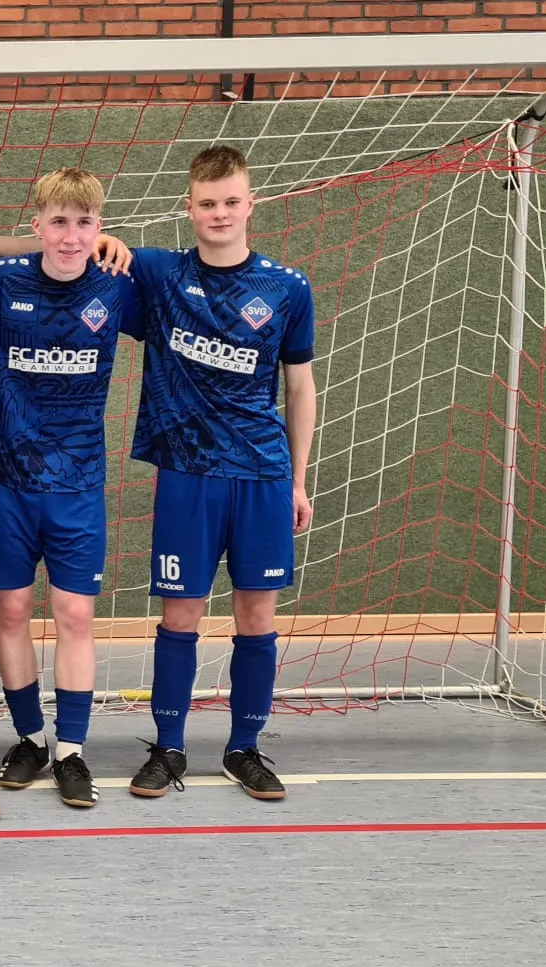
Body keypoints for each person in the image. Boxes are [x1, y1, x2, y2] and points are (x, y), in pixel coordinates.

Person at [124, 145, 316, 803]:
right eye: (208, 203)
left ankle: (244, 749)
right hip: (188, 474)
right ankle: (168, 747)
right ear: (190, 208)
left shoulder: (287, 287)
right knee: (181, 614)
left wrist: (297, 480)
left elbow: (300, 387)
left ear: (250, 204)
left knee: (256, 614)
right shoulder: (161, 274)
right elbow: (77, 242)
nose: (220, 213)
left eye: (231, 201)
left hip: (261, 475)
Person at [0, 171, 138, 809]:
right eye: (58, 222)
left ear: (99, 227)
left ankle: (71, 750)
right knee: (11, 612)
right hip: (6, 481)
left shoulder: (118, 283)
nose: (71, 236)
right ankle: (28, 737)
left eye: (84, 223)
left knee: (75, 615)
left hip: (78, 484)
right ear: (37, 227)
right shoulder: (2, 282)